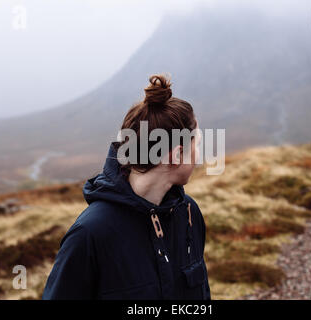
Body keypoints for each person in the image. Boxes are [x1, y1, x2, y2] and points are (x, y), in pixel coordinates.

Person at [42, 74, 211, 300]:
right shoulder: (90, 235)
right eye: (196, 145)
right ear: (178, 155)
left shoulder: (189, 213)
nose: (199, 156)